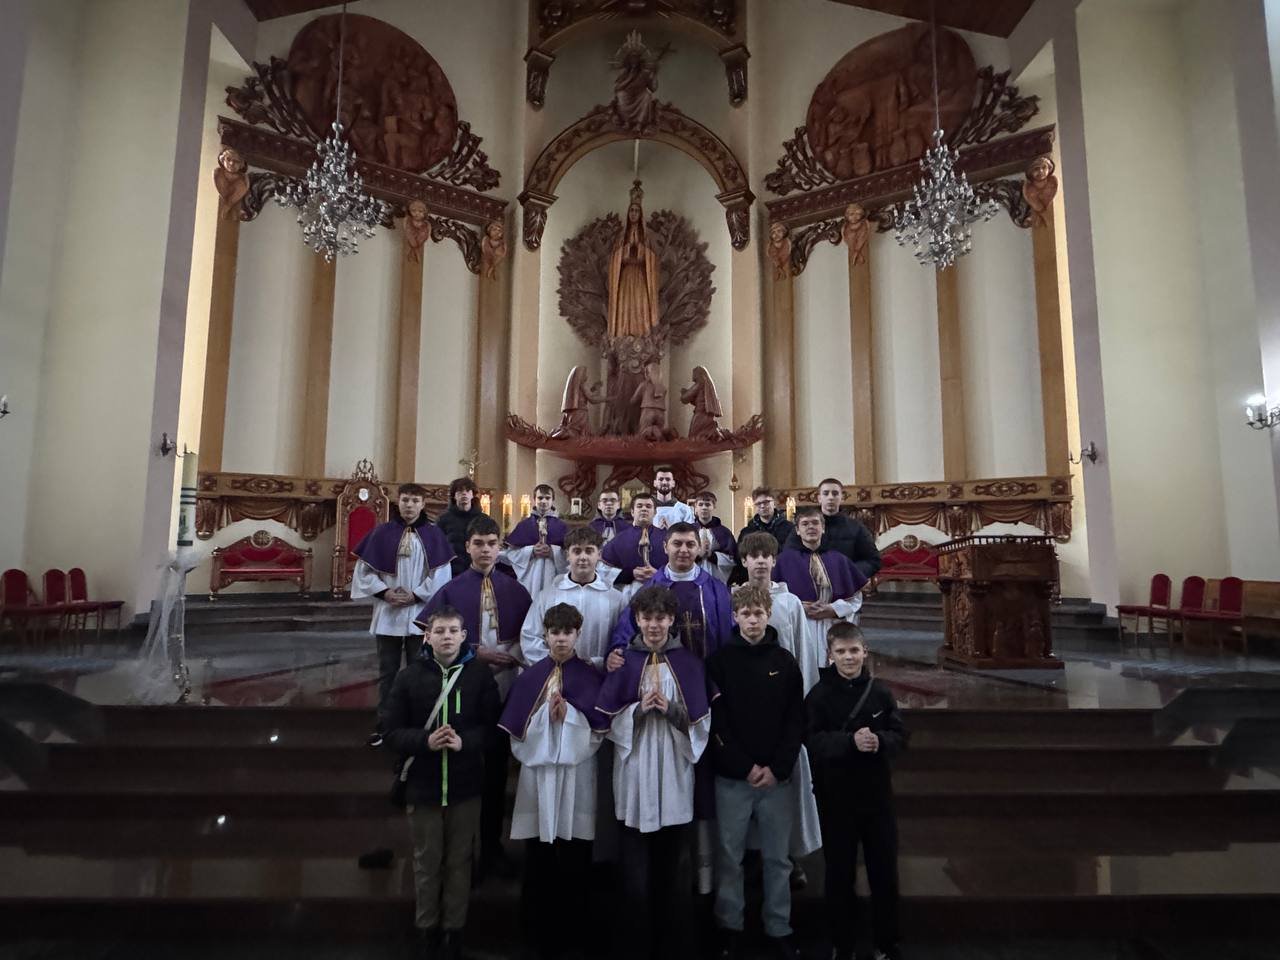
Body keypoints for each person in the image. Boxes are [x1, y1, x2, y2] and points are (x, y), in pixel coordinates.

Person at [595, 586, 711, 960]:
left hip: (674, 773)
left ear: (671, 620)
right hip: (635, 774)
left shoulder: (688, 663)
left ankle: (675, 947)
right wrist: (638, 711)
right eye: (647, 618)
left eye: (661, 618)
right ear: (637, 620)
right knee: (635, 877)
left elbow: (702, 724)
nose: (654, 625)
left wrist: (675, 712)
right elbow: (606, 724)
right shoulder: (624, 662)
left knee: (675, 873)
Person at [417, 516, 533, 881]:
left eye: (492, 543)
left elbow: (531, 635)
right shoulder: (451, 590)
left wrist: (512, 656)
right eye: (479, 543)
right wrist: (474, 653)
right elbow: (429, 643)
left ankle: (492, 848)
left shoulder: (516, 589)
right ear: (467, 547)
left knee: (497, 773)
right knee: (467, 774)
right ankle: (461, 854)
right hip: (464, 689)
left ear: (500, 547)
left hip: (507, 685)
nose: (485, 550)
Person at [384, 605, 500, 960]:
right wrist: (426, 741)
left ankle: (453, 930)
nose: (447, 637)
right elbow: (390, 732)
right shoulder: (408, 678)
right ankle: (427, 928)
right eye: (440, 631)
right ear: (427, 636)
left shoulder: (479, 676)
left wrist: (465, 742)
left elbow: (493, 729)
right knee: (427, 861)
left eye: (453, 631)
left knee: (460, 861)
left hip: (465, 784)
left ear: (464, 636)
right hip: (424, 785)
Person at [500, 603, 608, 960]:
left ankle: (575, 932)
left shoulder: (590, 677)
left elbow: (598, 733)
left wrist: (570, 716)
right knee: (539, 855)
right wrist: (545, 720)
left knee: (576, 855)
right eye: (554, 633)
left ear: (578, 635)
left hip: (577, 774)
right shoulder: (530, 679)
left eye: (567, 633)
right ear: (544, 636)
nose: (561, 639)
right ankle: (537, 932)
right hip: (538, 774)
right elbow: (516, 735)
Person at [707, 584, 804, 960]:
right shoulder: (719, 662)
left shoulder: (785, 661)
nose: (752, 620)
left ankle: (779, 927)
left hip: (775, 779)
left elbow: (795, 719)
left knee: (778, 859)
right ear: (735, 617)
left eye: (758, 614)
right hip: (734, 777)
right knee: (729, 856)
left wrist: (777, 767)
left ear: (768, 615)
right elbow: (716, 723)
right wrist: (744, 766)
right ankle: (730, 925)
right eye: (745, 614)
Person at [805, 624, 906, 960]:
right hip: (837, 798)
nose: (848, 658)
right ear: (830, 655)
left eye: (854, 651)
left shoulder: (880, 693)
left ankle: (886, 943)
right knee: (839, 873)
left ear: (865, 652)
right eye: (841, 652)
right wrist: (849, 742)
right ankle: (842, 943)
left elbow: (900, 734)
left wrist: (880, 741)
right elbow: (812, 741)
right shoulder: (818, 696)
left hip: (877, 796)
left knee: (884, 871)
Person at [738, 532, 822, 863]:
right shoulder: (735, 601)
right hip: (747, 707)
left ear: (774, 561)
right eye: (754, 555)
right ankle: (751, 854)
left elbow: (804, 652)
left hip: (785, 707)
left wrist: (804, 705)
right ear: (744, 561)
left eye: (766, 555)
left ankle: (790, 855)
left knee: (788, 783)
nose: (760, 561)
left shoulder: (789, 603)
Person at [350, 483, 454, 742]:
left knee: (421, 672)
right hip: (388, 613)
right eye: (406, 500)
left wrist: (416, 594)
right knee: (388, 673)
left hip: (420, 614)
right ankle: (386, 724)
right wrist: (385, 592)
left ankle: (418, 723)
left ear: (423, 504)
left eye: (415, 500)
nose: (410, 505)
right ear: (399, 502)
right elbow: (364, 571)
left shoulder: (433, 534)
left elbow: (441, 574)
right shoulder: (382, 533)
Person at [609, 521, 732, 662]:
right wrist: (616, 652)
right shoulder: (649, 590)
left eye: (690, 544)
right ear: (665, 547)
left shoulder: (716, 590)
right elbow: (627, 627)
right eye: (677, 544)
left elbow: (731, 630)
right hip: (663, 671)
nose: (683, 550)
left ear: (698, 548)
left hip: (709, 670)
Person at [520, 525, 625, 670]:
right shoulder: (547, 596)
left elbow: (622, 640)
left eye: (589, 551)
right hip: (556, 673)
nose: (583, 557)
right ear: (567, 555)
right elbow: (530, 637)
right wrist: (554, 664)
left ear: (599, 555)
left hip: (600, 674)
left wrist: (602, 662)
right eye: (576, 551)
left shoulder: (616, 599)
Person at [775, 507, 868, 661]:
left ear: (823, 528)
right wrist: (799, 607)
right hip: (801, 626)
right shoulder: (784, 560)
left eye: (815, 523)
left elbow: (855, 599)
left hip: (831, 626)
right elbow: (776, 599)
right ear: (797, 530)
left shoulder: (839, 559)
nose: (810, 527)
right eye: (805, 524)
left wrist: (833, 609)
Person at [786, 478, 881, 581]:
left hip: (846, 583)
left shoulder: (856, 528)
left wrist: (850, 572)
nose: (830, 497)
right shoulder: (804, 527)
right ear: (819, 498)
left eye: (835, 494)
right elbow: (788, 557)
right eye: (826, 493)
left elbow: (873, 560)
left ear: (842, 497)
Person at [503, 484, 569, 601]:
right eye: (540, 498)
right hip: (531, 576)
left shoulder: (561, 526)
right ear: (534, 499)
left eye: (547, 498)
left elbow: (570, 553)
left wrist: (553, 552)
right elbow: (511, 553)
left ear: (553, 500)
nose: (543, 501)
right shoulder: (524, 525)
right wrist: (531, 551)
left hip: (553, 573)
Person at [600, 491, 668, 600]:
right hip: (628, 595)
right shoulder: (619, 539)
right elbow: (603, 570)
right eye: (639, 506)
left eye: (648, 506)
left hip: (663, 593)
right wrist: (630, 574)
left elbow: (680, 568)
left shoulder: (667, 538)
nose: (644, 509)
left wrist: (659, 574)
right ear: (632, 512)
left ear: (655, 512)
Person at [732, 489, 794, 586]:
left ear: (774, 503)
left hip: (784, 576)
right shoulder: (747, 531)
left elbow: (791, 554)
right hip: (755, 579)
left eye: (766, 502)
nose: (762, 506)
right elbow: (740, 556)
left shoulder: (789, 528)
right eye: (758, 504)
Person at [436, 477, 485, 575]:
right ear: (454, 496)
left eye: (468, 491)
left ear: (472, 495)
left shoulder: (483, 519)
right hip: (451, 572)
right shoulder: (443, 520)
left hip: (477, 570)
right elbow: (437, 546)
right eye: (460, 491)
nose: (464, 494)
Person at [692, 491, 737, 584]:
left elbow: (733, 559)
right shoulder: (689, 531)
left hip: (716, 578)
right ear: (695, 507)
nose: (704, 507)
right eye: (700, 504)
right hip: (692, 578)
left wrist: (712, 556)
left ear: (714, 506)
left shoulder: (724, 532)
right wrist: (698, 555)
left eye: (708, 504)